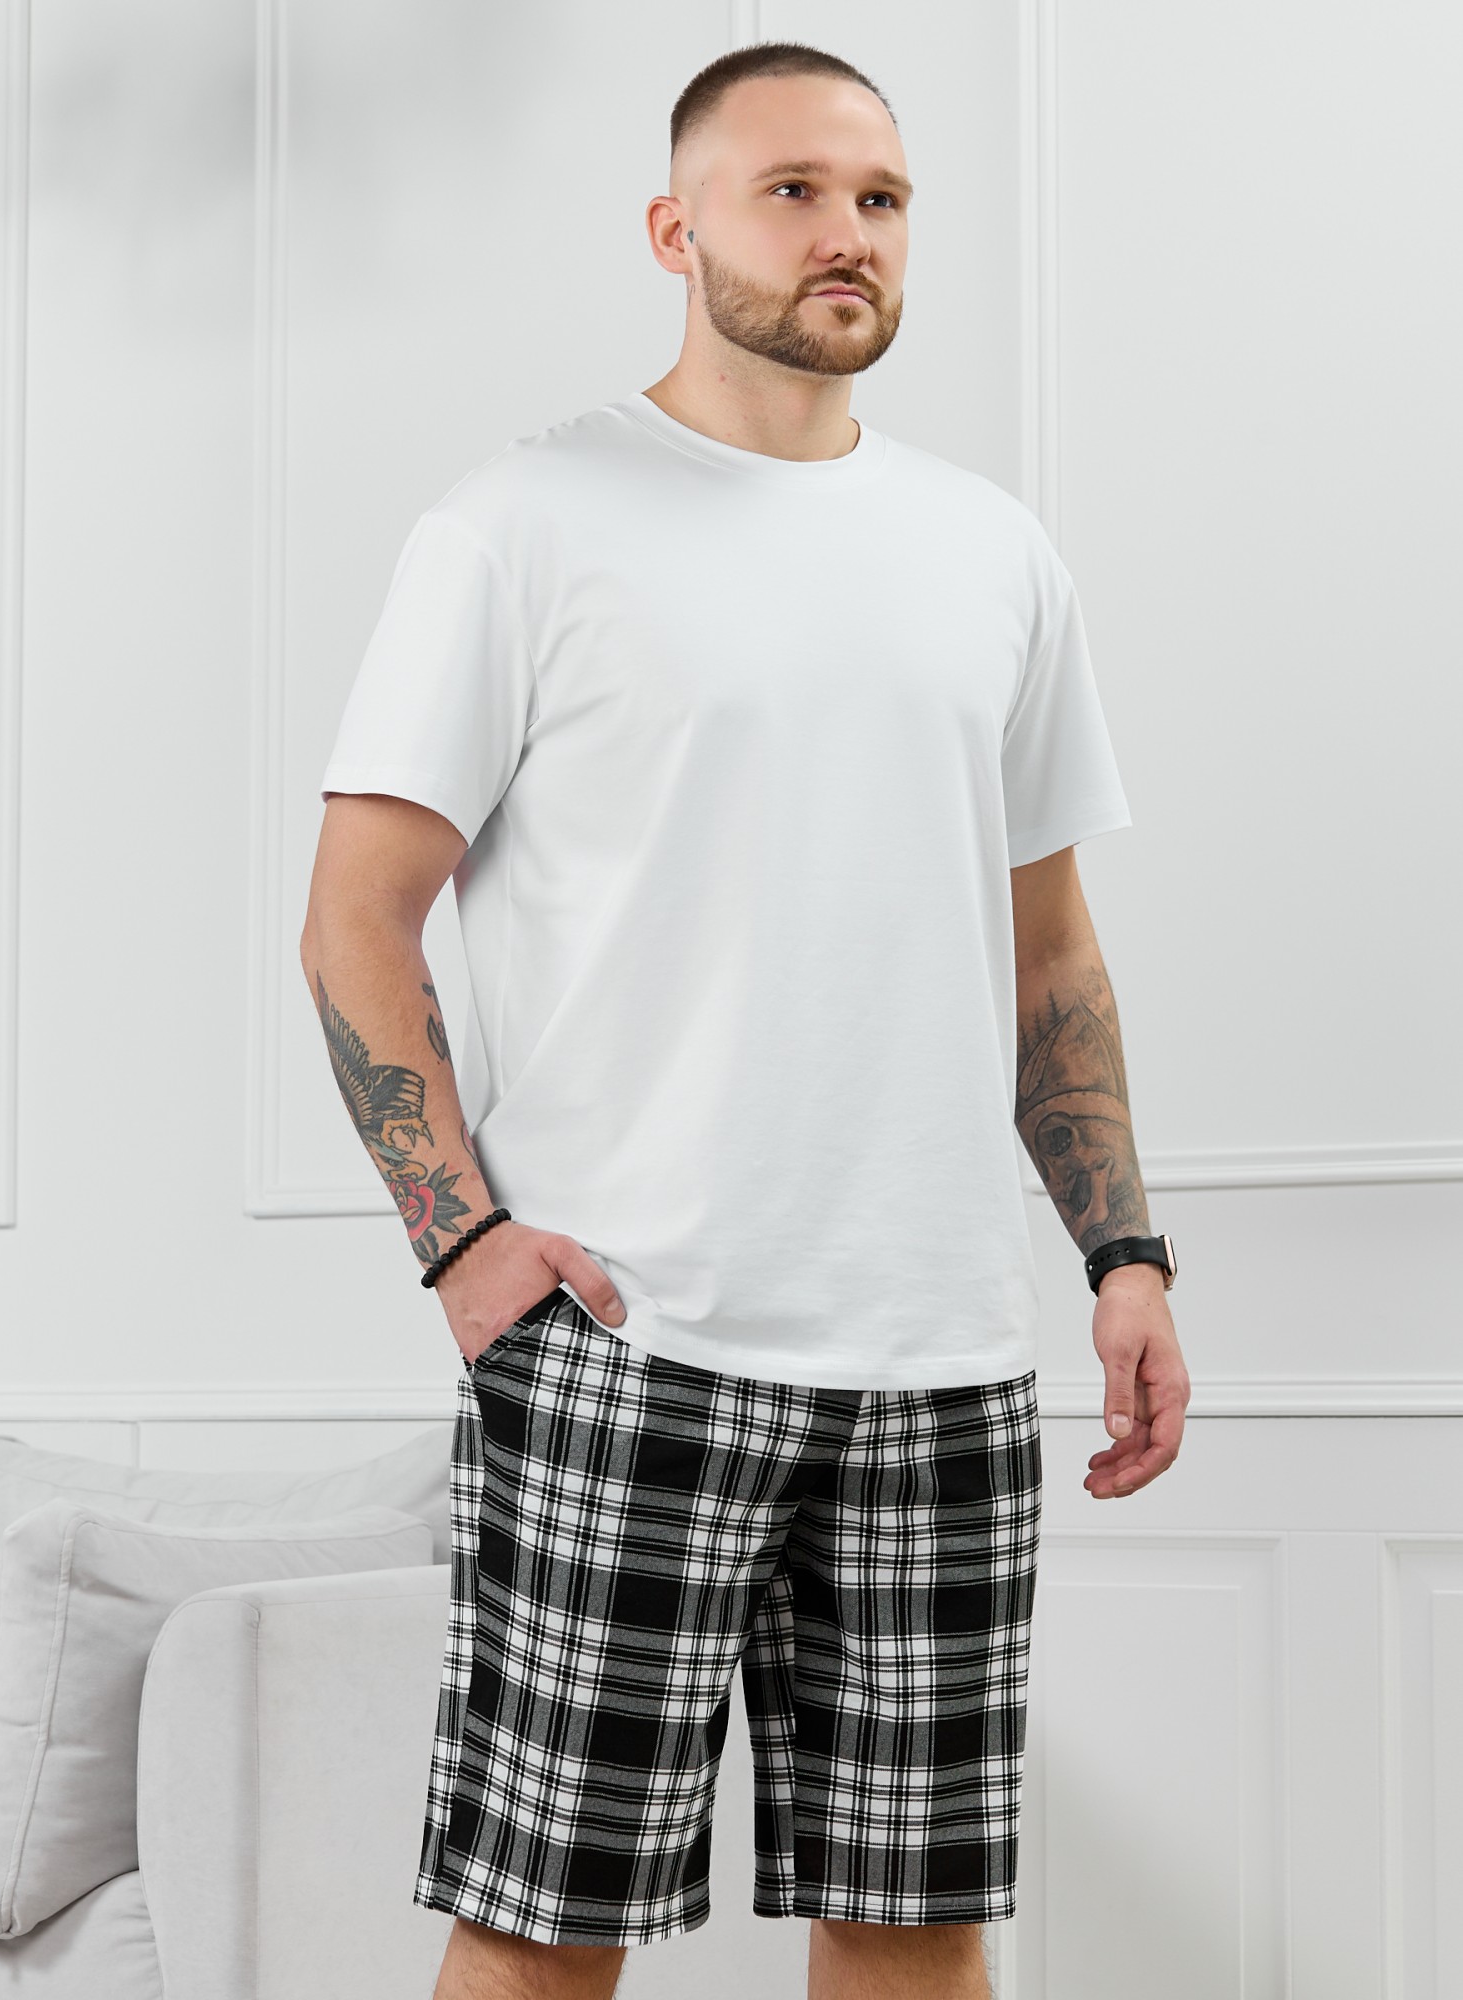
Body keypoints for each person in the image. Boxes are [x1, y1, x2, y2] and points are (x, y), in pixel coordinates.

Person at [300, 38, 1191, 2000]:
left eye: (880, 198)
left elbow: (1051, 956)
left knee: (917, 1936)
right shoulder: (522, 522)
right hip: (627, 1347)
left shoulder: (994, 552)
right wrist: (463, 1244)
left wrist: (1122, 1254)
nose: (845, 232)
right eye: (792, 190)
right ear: (673, 227)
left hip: (943, 1362)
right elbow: (355, 922)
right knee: (543, 1933)